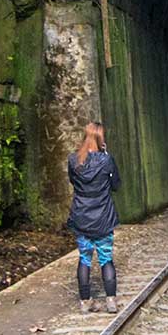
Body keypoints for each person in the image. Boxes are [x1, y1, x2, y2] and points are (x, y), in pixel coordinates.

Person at [66, 122, 121, 313]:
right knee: (106, 258)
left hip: (82, 218)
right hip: (103, 219)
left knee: (84, 258)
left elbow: (73, 181)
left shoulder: (74, 160)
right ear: (101, 139)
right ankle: (111, 301)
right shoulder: (107, 160)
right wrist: (107, 158)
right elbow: (116, 185)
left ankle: (85, 302)